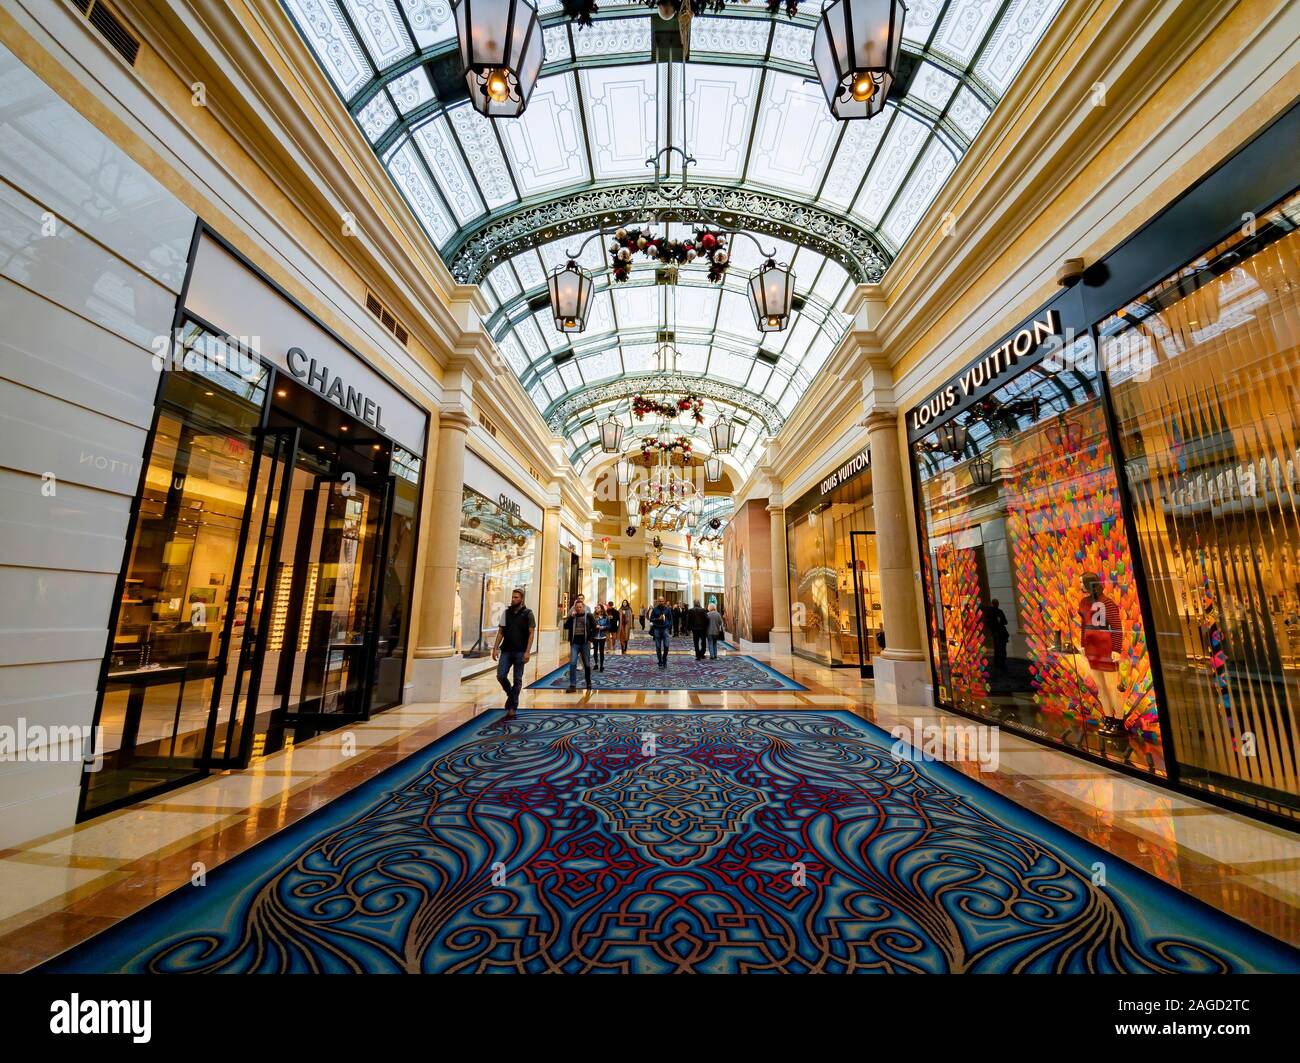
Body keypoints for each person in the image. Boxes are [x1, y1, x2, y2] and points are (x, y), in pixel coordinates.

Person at [491, 588, 535, 718]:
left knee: (517, 679)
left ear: (521, 599)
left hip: (520, 651)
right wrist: (495, 648)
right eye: (512, 597)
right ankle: (511, 696)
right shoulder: (506, 613)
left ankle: (512, 707)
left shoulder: (528, 613)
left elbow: (531, 633)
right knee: (501, 675)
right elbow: (501, 632)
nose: (513, 599)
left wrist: (528, 652)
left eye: (516, 597)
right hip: (506, 650)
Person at [564, 600, 597, 693]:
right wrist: (571, 617)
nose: (578, 609)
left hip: (585, 643)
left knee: (586, 663)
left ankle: (588, 682)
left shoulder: (589, 616)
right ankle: (572, 685)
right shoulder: (573, 617)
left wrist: (591, 639)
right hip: (575, 643)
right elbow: (565, 626)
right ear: (575, 608)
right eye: (577, 607)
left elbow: (594, 628)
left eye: (580, 607)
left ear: (583, 607)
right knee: (572, 663)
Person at [984, 598, 1010, 673]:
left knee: (997, 648)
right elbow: (1005, 622)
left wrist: (992, 629)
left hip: (995, 632)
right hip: (1001, 632)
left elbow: (987, 622)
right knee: (1002, 648)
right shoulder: (999, 612)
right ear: (997, 604)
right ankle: (1002, 664)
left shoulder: (989, 612)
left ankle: (997, 663)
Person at [649, 597, 673, 668]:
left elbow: (670, 619)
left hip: (665, 629)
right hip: (657, 629)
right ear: (657, 602)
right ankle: (660, 661)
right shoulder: (655, 610)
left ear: (664, 601)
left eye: (662, 601)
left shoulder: (667, 609)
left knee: (666, 646)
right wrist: (657, 619)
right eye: (659, 601)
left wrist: (669, 627)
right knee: (658, 647)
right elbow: (651, 619)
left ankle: (664, 658)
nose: (661, 602)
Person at [592, 603, 609, 672]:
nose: (596, 609)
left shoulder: (605, 617)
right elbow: (590, 625)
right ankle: (596, 664)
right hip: (595, 636)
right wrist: (595, 626)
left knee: (601, 651)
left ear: (601, 609)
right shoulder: (593, 616)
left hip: (602, 636)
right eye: (596, 608)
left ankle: (601, 665)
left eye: (598, 608)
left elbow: (608, 626)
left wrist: (603, 627)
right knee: (595, 651)